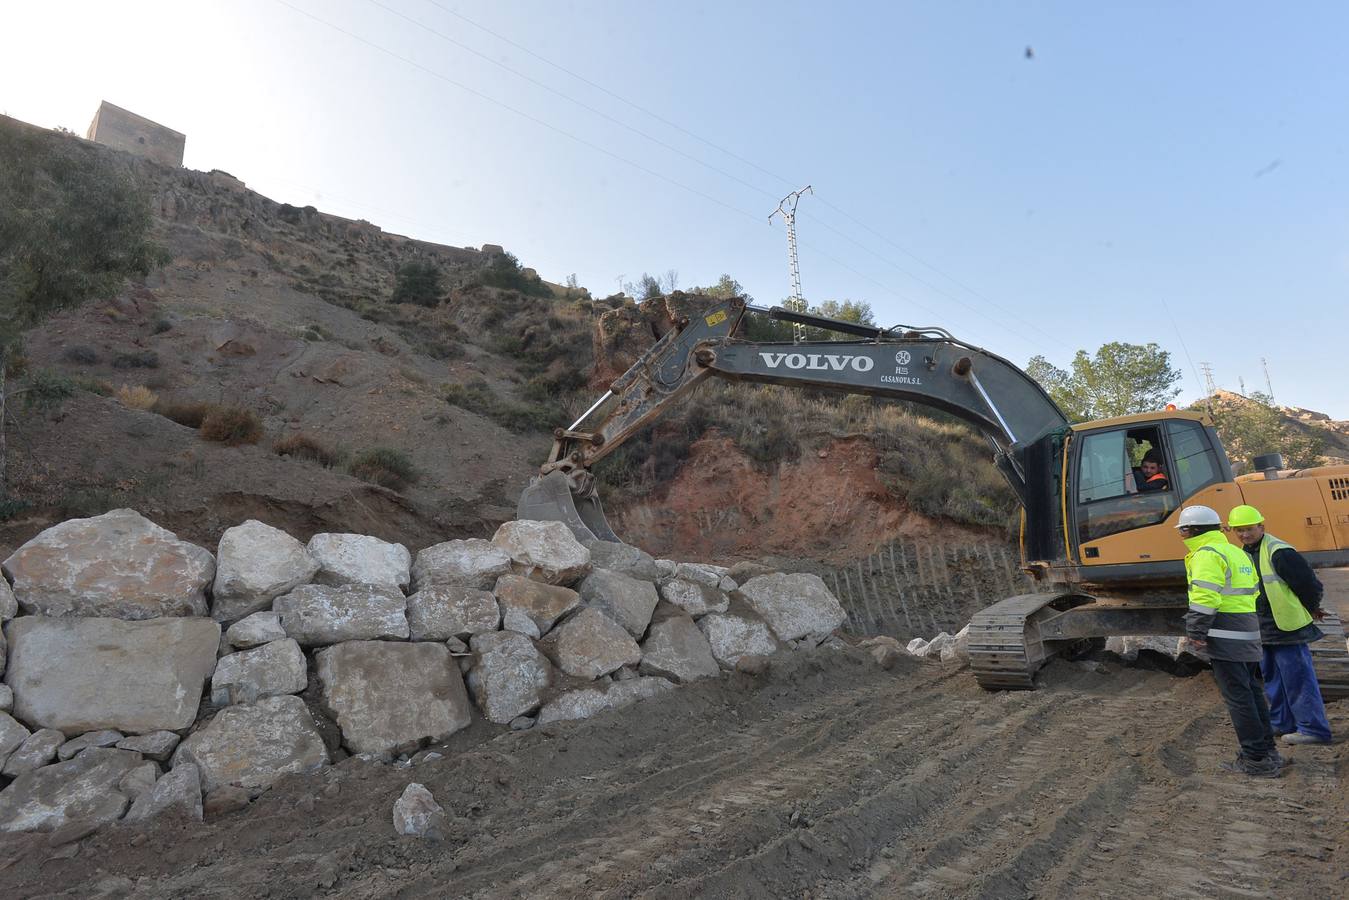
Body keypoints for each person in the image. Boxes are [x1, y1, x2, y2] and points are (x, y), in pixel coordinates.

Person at [1176, 504, 1280, 776]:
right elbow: (1254, 590)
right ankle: (1267, 752)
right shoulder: (1235, 551)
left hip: (1225, 635)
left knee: (1239, 698)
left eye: (1182, 530)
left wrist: (1196, 632)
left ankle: (1256, 760)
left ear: (1190, 530)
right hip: (1247, 631)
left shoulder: (1205, 555)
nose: (1181, 536)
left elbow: (1205, 598)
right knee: (1252, 692)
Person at [1227, 504, 1332, 745]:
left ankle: (1313, 729)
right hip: (1264, 628)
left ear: (1261, 526)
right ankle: (1283, 723)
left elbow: (1309, 584)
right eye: (1239, 530)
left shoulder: (1279, 551)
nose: (1244, 535)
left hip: (1288, 628)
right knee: (1273, 679)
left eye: (1249, 529)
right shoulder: (1246, 553)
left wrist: (1312, 607)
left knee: (1298, 680)